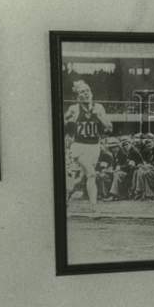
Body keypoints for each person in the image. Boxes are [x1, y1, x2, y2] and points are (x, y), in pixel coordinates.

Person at [63, 80, 112, 211]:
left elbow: (109, 127)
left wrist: (100, 117)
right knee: (92, 174)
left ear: (91, 92)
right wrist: (69, 120)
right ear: (78, 96)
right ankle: (94, 208)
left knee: (80, 179)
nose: (85, 94)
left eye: (87, 91)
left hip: (94, 146)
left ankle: (66, 196)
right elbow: (63, 125)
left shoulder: (99, 107)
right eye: (82, 92)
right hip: (79, 146)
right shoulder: (74, 109)